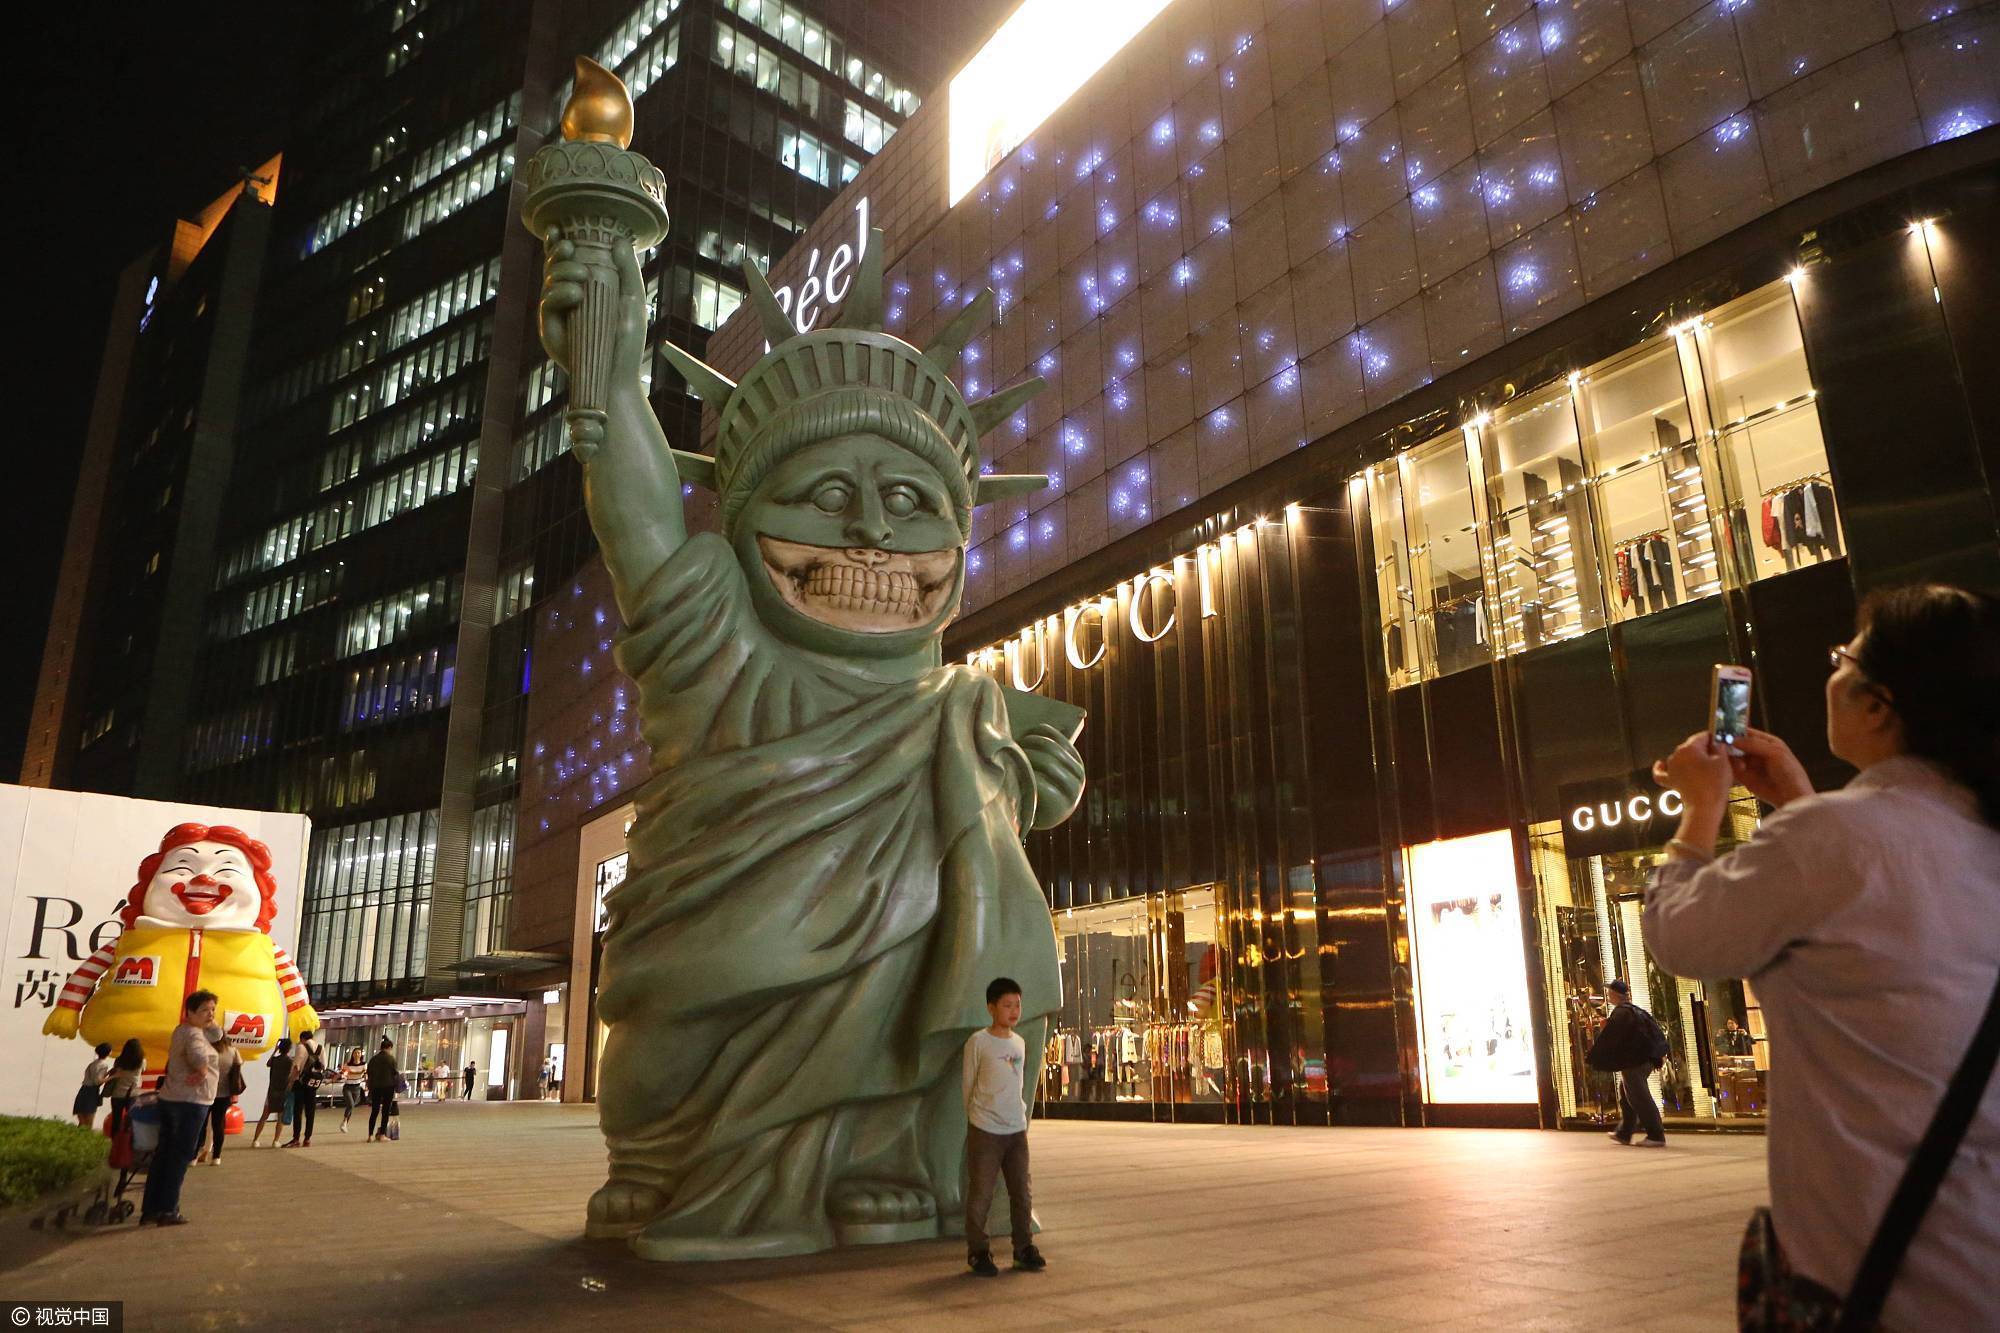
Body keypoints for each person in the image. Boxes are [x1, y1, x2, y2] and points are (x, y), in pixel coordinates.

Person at [1645, 585, 2000, 1328]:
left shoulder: (1838, 838)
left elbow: (1682, 936)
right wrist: (1801, 807)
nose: (1831, 669)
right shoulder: (1967, 832)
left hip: (1892, 1270)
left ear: (1880, 704)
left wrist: (1701, 807)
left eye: (1845, 658)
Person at [961, 977, 1046, 1277]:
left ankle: (1023, 1248)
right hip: (985, 1128)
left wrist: (1018, 1119)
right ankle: (979, 1252)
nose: (1014, 1011)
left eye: (1018, 1005)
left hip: (1015, 1129)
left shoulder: (1019, 1043)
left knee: (1021, 1192)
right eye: (1007, 1005)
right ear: (991, 1008)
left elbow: (1018, 1085)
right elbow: (968, 1086)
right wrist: (977, 1118)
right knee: (981, 1194)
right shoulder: (978, 1042)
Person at [142, 990, 221, 1225]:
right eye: (205, 1010)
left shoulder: (182, 1030)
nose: (210, 1014)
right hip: (190, 1102)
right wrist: (202, 1071)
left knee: (163, 1155)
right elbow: (198, 1057)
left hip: (171, 1098)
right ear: (190, 1012)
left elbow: (217, 1035)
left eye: (213, 1009)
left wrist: (209, 1020)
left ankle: (151, 1209)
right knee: (179, 1157)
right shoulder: (194, 1035)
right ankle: (168, 1210)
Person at [1586, 980, 1667, 1146]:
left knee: (1639, 1096)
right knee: (1627, 1093)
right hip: (1644, 1059)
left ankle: (1655, 1135)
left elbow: (1614, 1038)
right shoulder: (1635, 1010)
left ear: (1615, 994)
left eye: (1609, 992)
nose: (1608, 995)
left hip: (1635, 1061)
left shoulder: (1622, 1013)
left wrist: (1603, 1031)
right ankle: (1624, 1132)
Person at [195, 1031, 244, 1166]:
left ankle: (194, 1156)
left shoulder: (206, 1051)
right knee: (218, 1125)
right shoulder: (233, 1051)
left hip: (205, 1093)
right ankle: (216, 1157)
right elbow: (239, 1065)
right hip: (224, 1094)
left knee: (201, 1124)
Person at [249, 1037, 293, 1147]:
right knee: (280, 1117)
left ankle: (255, 1140)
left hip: (272, 1091)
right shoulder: (290, 1062)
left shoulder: (275, 1060)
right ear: (289, 1048)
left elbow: (268, 1063)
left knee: (264, 1116)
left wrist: (274, 1050)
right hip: (283, 1091)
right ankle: (275, 1141)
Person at [286, 1031, 325, 1147]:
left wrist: (290, 1082)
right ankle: (307, 1138)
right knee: (310, 1111)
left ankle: (296, 1138)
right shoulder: (321, 1048)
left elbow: (296, 1067)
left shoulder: (301, 1047)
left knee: (297, 1111)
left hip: (300, 1083)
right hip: (312, 1084)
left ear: (302, 1038)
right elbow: (324, 1066)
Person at [105, 1038, 145, 1136]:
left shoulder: (119, 1060)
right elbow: (142, 1071)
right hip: (133, 1094)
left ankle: (115, 1143)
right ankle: (129, 1143)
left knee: (116, 1120)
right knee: (132, 1120)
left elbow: (115, 1073)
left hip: (117, 1094)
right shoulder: (142, 1061)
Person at [367, 1038, 401, 1141]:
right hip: (388, 1087)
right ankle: (382, 1135)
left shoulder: (373, 1059)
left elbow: (369, 1073)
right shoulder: (391, 1059)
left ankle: (370, 1135)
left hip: (375, 1087)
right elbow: (395, 1073)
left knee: (374, 1111)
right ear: (389, 1048)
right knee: (386, 1111)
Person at [73, 1042, 113, 1129]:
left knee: (82, 1122)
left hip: (83, 1090)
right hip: (91, 1093)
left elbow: (94, 1076)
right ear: (109, 1053)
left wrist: (108, 1073)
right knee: (89, 1121)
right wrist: (112, 1077)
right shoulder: (103, 1065)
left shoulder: (93, 1064)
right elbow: (97, 1081)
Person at [339, 1045, 367, 1132]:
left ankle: (345, 1124)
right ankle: (344, 1122)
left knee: (351, 1107)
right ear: (352, 1054)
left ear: (361, 1054)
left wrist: (366, 1080)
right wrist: (343, 1075)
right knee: (350, 1104)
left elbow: (366, 1074)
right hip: (348, 1087)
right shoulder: (347, 1064)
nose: (357, 1054)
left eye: (358, 1053)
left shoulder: (364, 1064)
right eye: (355, 1053)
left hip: (357, 1087)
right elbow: (343, 1073)